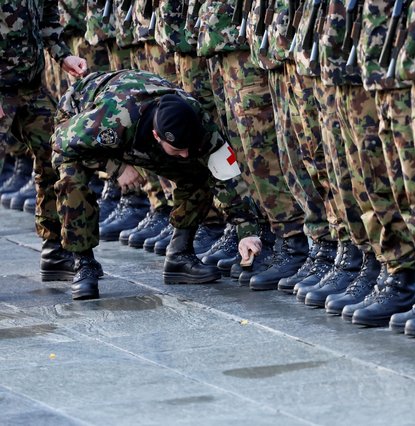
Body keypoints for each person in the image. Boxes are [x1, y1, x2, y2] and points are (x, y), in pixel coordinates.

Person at [51, 69, 260, 300]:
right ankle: (83, 263)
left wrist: (247, 231)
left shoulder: (197, 121)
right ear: (157, 136)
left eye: (187, 147)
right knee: (71, 179)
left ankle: (180, 255)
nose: (185, 154)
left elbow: (226, 175)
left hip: (135, 121)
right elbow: (61, 143)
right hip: (80, 115)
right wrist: (117, 168)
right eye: (177, 150)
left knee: (197, 171)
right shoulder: (111, 118)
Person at [0, 0, 88, 282]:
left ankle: (55, 249)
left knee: (56, 154)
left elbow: (48, 19)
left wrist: (63, 56)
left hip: (30, 87)